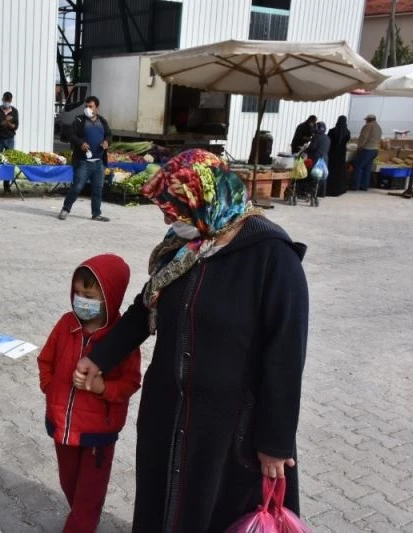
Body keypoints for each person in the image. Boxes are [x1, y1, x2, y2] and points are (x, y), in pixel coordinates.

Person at [73, 150, 309, 532]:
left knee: (215, 514)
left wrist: (275, 442)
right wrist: (100, 357)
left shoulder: (273, 258)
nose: (167, 218)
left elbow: (286, 356)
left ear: (207, 199)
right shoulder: (185, 249)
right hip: (167, 414)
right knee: (163, 506)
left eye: (174, 208)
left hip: (230, 429)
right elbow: (144, 308)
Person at [38, 254, 141, 533]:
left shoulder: (121, 339)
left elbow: (130, 382)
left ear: (110, 296)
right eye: (78, 293)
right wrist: (51, 390)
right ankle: (81, 522)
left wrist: (102, 388)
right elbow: (45, 360)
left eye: (89, 294)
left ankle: (80, 525)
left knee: (87, 500)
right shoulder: (65, 325)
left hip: (98, 435)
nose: (81, 299)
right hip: (62, 429)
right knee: (70, 486)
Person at [59, 96, 111, 222]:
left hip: (98, 162)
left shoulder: (102, 121)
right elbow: (71, 135)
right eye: (86, 106)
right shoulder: (79, 120)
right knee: (77, 187)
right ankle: (65, 209)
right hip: (83, 162)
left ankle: (96, 213)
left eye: (90, 106)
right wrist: (80, 143)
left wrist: (107, 142)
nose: (87, 109)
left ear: (97, 108)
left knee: (98, 188)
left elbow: (109, 135)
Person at [0, 91, 19, 193]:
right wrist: (6, 122)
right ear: (2, 99)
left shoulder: (14, 111)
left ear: (11, 100)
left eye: (8, 101)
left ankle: (6, 185)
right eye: (5, 100)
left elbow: (16, 126)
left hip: (10, 139)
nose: (6, 102)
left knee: (9, 162)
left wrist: (9, 124)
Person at [351, 114, 382, 191]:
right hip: (375, 150)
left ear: (369, 119)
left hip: (367, 149)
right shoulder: (378, 127)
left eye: (366, 120)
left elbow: (363, 137)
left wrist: (359, 147)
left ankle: (355, 186)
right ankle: (364, 186)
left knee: (358, 167)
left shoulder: (368, 126)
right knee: (367, 169)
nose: (365, 121)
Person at [327, 115, 352, 197]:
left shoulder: (331, 131)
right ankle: (339, 190)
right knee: (339, 173)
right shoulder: (347, 133)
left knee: (331, 172)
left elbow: (328, 141)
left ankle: (329, 189)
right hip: (341, 156)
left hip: (332, 154)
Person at [306, 121, 330, 197]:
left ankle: (312, 192)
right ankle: (321, 193)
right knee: (322, 175)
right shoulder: (327, 138)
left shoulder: (316, 137)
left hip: (316, 158)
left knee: (314, 175)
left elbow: (312, 148)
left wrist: (305, 150)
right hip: (324, 159)